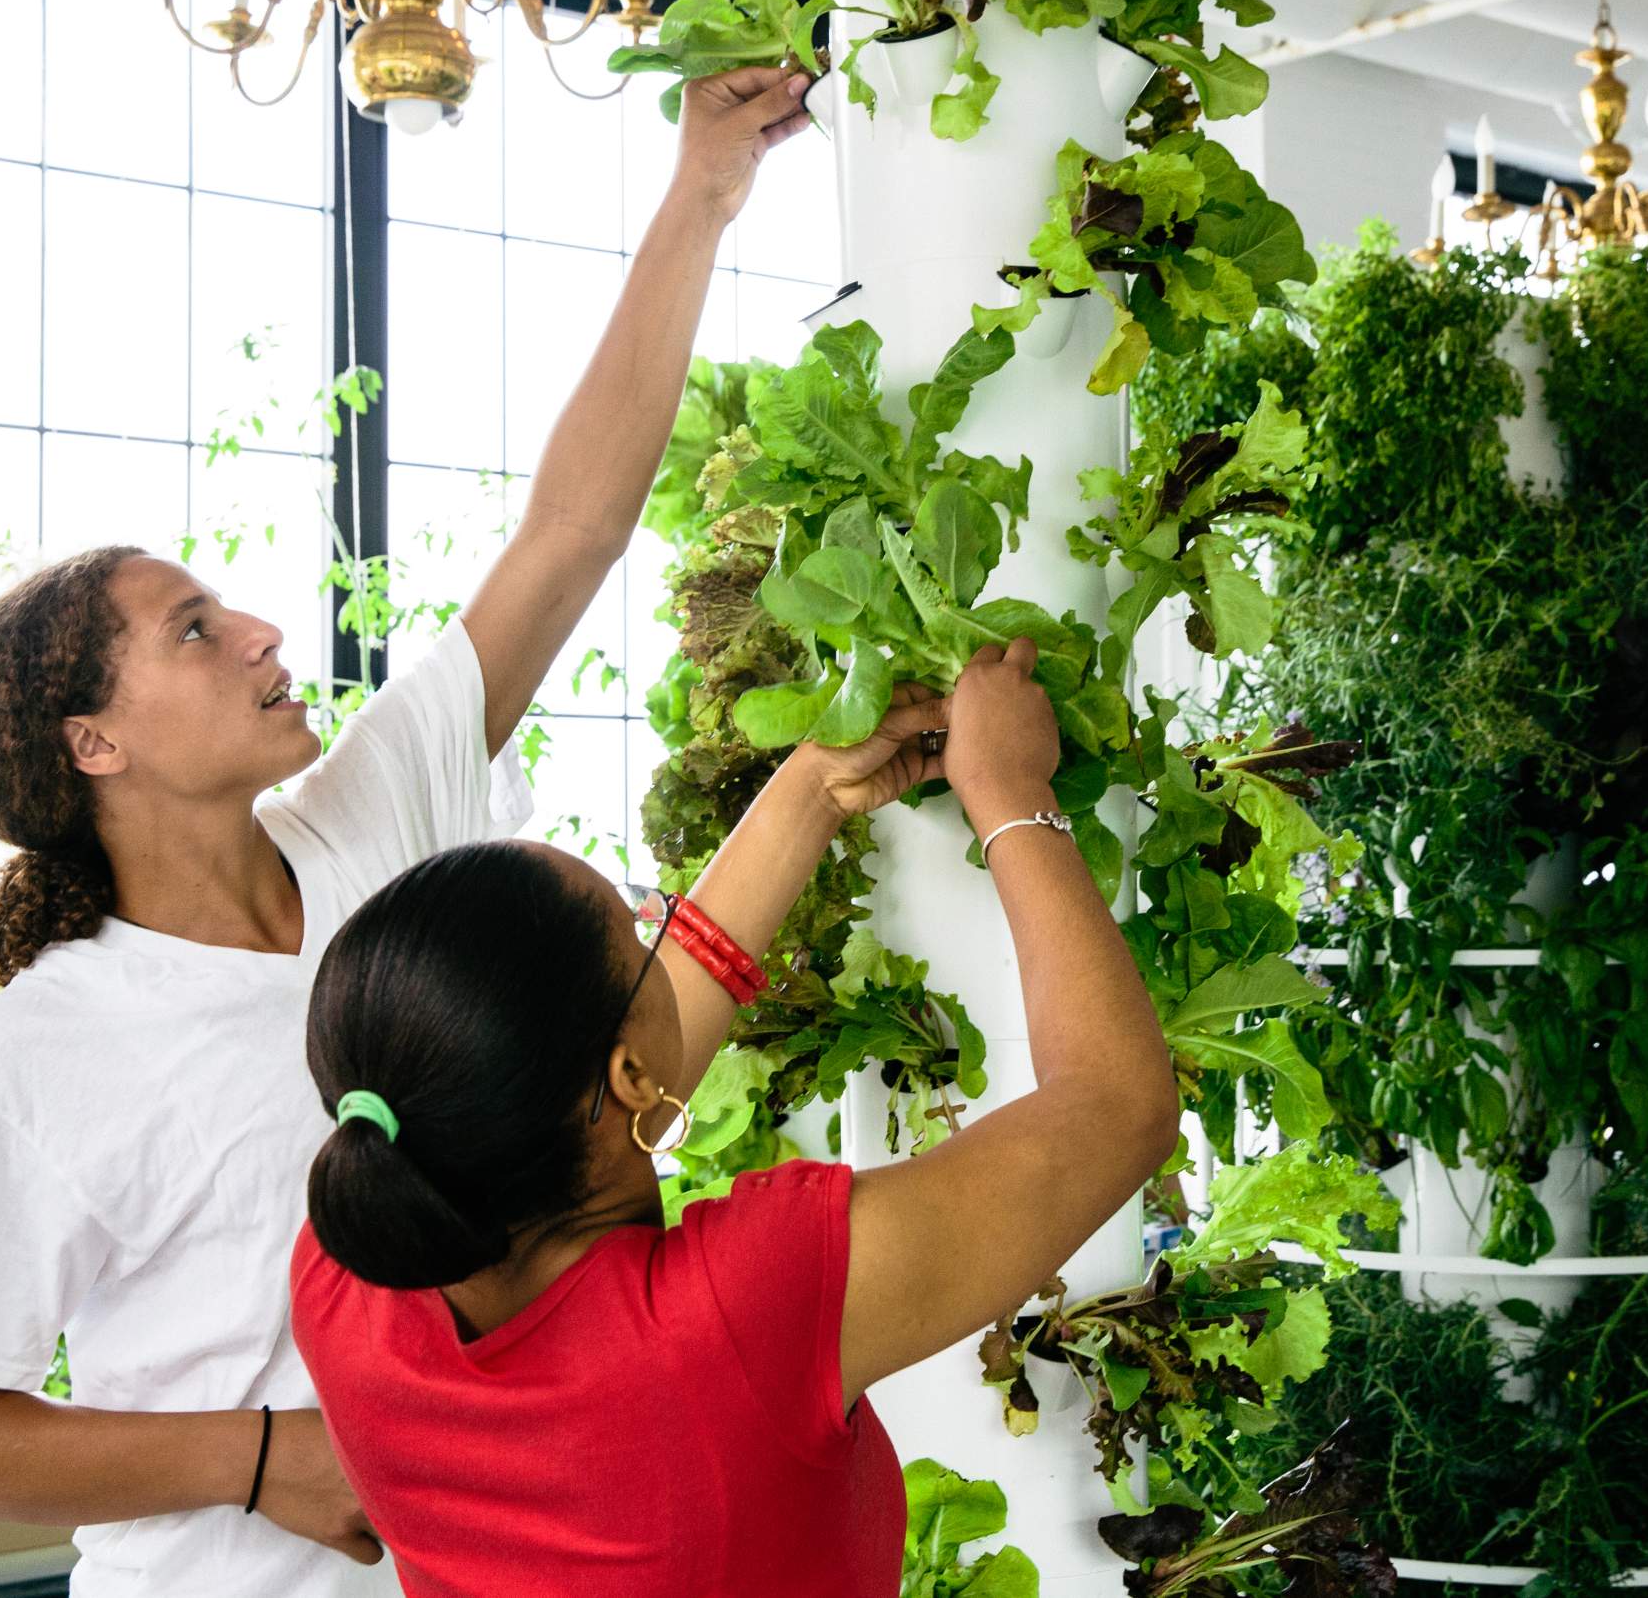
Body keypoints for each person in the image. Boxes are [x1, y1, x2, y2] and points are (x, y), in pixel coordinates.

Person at [0, 65, 818, 1598]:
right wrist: (256, 1455)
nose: (258, 630)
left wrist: (702, 194)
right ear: (91, 741)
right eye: (193, 629)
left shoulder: (370, 810)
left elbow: (571, 532)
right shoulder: (23, 1054)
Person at [288, 638, 1182, 1596]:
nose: (656, 936)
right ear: (628, 1076)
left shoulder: (348, 1272)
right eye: (639, 933)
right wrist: (1011, 794)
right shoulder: (736, 1313)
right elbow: (1116, 1107)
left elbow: (627, 1041)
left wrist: (811, 790)